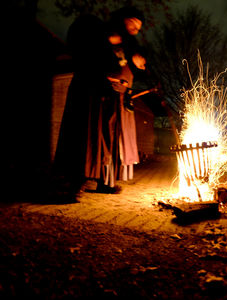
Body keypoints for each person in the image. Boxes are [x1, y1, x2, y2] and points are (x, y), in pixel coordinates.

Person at [51, 7, 146, 202]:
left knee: (108, 144)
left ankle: (105, 182)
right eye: (133, 24)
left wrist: (135, 64)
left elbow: (125, 64)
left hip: (112, 99)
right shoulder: (96, 31)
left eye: (138, 27)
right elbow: (88, 57)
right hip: (90, 95)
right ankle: (74, 186)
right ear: (122, 19)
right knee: (86, 140)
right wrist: (105, 52)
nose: (136, 30)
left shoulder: (126, 44)